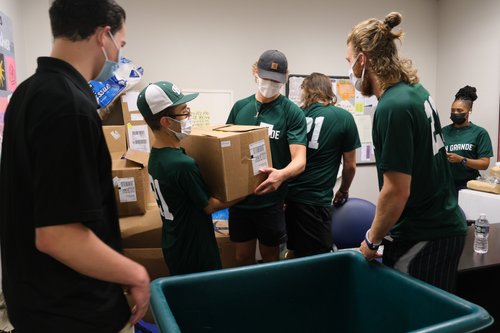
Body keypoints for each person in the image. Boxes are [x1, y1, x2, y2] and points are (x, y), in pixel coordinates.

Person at [0, 1, 150, 332]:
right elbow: (58, 235)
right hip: (71, 310)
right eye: (120, 45)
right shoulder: (69, 106)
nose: (118, 55)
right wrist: (136, 274)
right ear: (104, 35)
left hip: (34, 299)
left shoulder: (27, 92)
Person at [347, 12, 467, 292]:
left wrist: (371, 242)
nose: (350, 69)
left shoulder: (393, 106)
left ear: (363, 59)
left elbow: (396, 191)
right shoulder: (416, 91)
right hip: (442, 226)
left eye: (349, 61)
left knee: (412, 317)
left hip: (424, 234)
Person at [137, 81, 241, 275]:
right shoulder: (181, 164)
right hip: (195, 249)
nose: (188, 116)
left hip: (174, 241)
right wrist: (247, 191)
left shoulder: (156, 156)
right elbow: (210, 206)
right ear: (166, 122)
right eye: (184, 112)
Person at [226, 50, 307, 265]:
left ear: (285, 79)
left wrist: (281, 175)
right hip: (240, 201)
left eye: (276, 80)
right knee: (242, 257)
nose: (269, 84)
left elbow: (300, 160)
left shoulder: (291, 112)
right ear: (255, 72)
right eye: (265, 78)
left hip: (270, 202)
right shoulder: (240, 108)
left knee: (271, 258)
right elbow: (226, 150)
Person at [285, 73, 361, 258]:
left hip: (290, 200)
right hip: (316, 202)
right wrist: (343, 190)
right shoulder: (343, 117)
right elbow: (350, 166)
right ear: (329, 91)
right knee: (319, 260)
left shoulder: (296, 115)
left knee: (293, 252)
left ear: (306, 91)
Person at [442, 85, 493, 193]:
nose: (455, 113)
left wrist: (462, 160)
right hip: (445, 186)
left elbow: (484, 164)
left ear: (469, 111)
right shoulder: (443, 132)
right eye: (453, 110)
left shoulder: (480, 133)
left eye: (459, 110)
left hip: (468, 187)